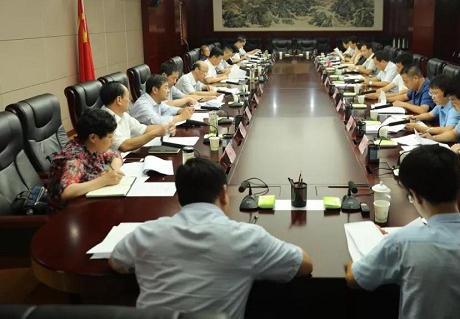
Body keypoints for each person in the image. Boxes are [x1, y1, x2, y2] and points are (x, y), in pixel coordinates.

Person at [109, 157, 313, 319]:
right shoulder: (247, 238)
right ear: (224, 194)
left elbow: (116, 262)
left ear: (179, 197)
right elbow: (304, 265)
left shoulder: (146, 233)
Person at [346, 145, 460, 318]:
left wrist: (366, 239)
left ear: (415, 195)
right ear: (458, 186)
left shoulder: (401, 243)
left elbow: (354, 279)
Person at [48, 109, 124, 213]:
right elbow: (67, 191)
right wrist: (103, 180)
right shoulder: (74, 158)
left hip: (89, 203)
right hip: (68, 214)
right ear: (93, 138)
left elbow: (116, 155)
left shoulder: (92, 147)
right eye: (110, 136)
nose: (113, 140)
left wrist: (113, 170)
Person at [100, 82, 170, 152]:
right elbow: (124, 146)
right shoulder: (104, 120)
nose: (129, 100)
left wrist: (166, 127)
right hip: (117, 158)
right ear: (119, 100)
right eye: (128, 97)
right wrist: (155, 133)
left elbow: (143, 129)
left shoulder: (124, 115)